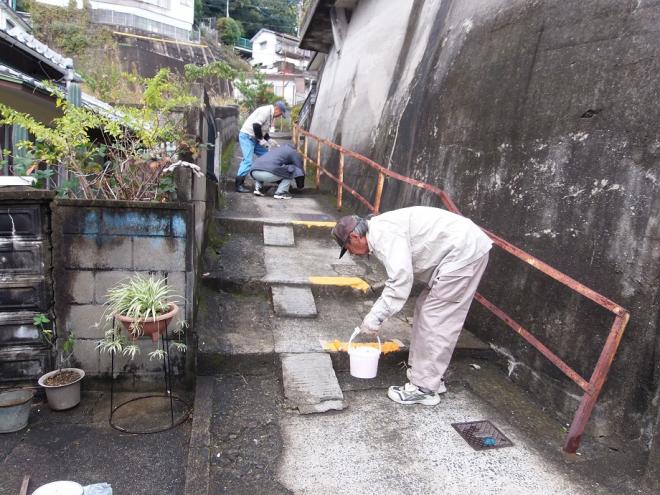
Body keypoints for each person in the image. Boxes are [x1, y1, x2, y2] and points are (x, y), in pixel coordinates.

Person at [331, 206, 492, 406]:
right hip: (463, 249)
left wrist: (374, 318)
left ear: (355, 237)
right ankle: (427, 378)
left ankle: (425, 388)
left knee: (435, 318)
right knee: (426, 309)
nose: (353, 255)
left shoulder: (383, 235)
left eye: (349, 250)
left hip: (463, 253)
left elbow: (400, 281)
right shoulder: (381, 229)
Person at [235, 101, 289, 193]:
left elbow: (262, 130)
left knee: (267, 156)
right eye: (280, 114)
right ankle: (239, 184)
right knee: (247, 160)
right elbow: (256, 126)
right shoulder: (265, 111)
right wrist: (261, 140)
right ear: (277, 109)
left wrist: (269, 139)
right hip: (247, 136)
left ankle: (274, 178)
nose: (279, 116)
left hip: (255, 137)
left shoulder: (271, 114)